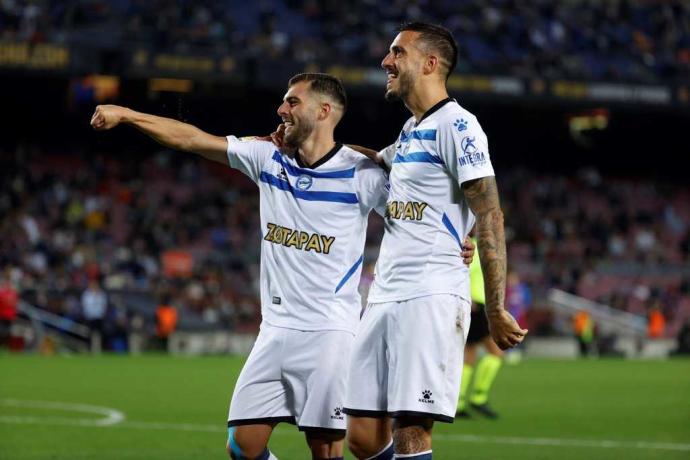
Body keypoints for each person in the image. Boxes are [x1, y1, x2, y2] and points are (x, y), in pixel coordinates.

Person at [91, 73, 475, 460]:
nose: (281, 109)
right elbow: (193, 139)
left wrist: (459, 240)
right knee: (242, 446)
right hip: (274, 331)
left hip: (330, 335)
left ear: (324, 111)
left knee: (326, 450)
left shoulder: (362, 175)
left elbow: (416, 211)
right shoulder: (267, 157)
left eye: (293, 102)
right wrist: (126, 114)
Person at [342, 23, 527, 460]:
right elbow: (374, 158)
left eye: (396, 53)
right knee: (362, 435)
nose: (386, 62)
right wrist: (307, 146)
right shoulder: (410, 131)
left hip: (429, 295)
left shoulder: (459, 126)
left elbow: (489, 212)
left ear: (429, 63)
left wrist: (497, 307)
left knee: (410, 431)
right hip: (385, 294)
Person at [455, 237, 504, 420]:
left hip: (476, 305)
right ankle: (478, 397)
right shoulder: (473, 244)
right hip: (475, 305)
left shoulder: (481, 244)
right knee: (496, 353)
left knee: (469, 355)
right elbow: (462, 270)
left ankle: (458, 403)